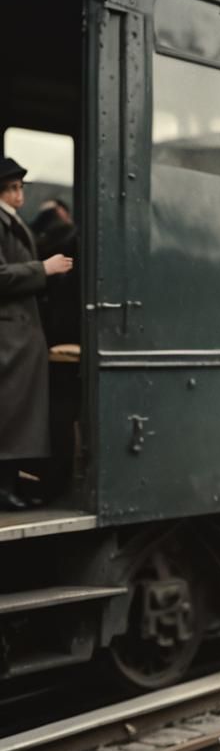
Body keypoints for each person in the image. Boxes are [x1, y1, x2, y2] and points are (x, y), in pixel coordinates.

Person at [0, 157, 74, 509]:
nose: (19, 195)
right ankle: (4, 489)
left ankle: (11, 485)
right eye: (12, 188)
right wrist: (43, 269)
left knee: (16, 414)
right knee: (11, 414)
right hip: (10, 336)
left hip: (18, 335)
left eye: (20, 188)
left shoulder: (11, 223)